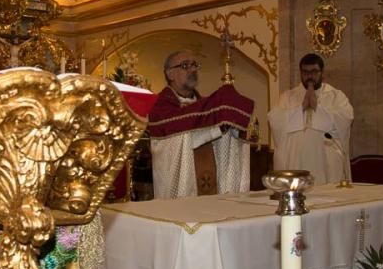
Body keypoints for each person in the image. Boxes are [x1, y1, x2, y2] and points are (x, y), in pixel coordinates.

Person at [147, 49, 254, 199]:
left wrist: (231, 126)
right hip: (178, 191)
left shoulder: (205, 107)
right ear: (170, 74)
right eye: (185, 66)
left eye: (194, 65)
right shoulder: (160, 106)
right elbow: (185, 135)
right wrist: (217, 126)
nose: (192, 69)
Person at [268, 53, 353, 185]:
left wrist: (317, 108)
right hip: (296, 156)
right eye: (305, 72)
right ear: (301, 73)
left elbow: (346, 118)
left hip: (324, 157)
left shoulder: (336, 95)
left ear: (322, 72)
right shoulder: (288, 96)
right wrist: (300, 108)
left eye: (314, 71)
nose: (310, 76)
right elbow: (274, 119)